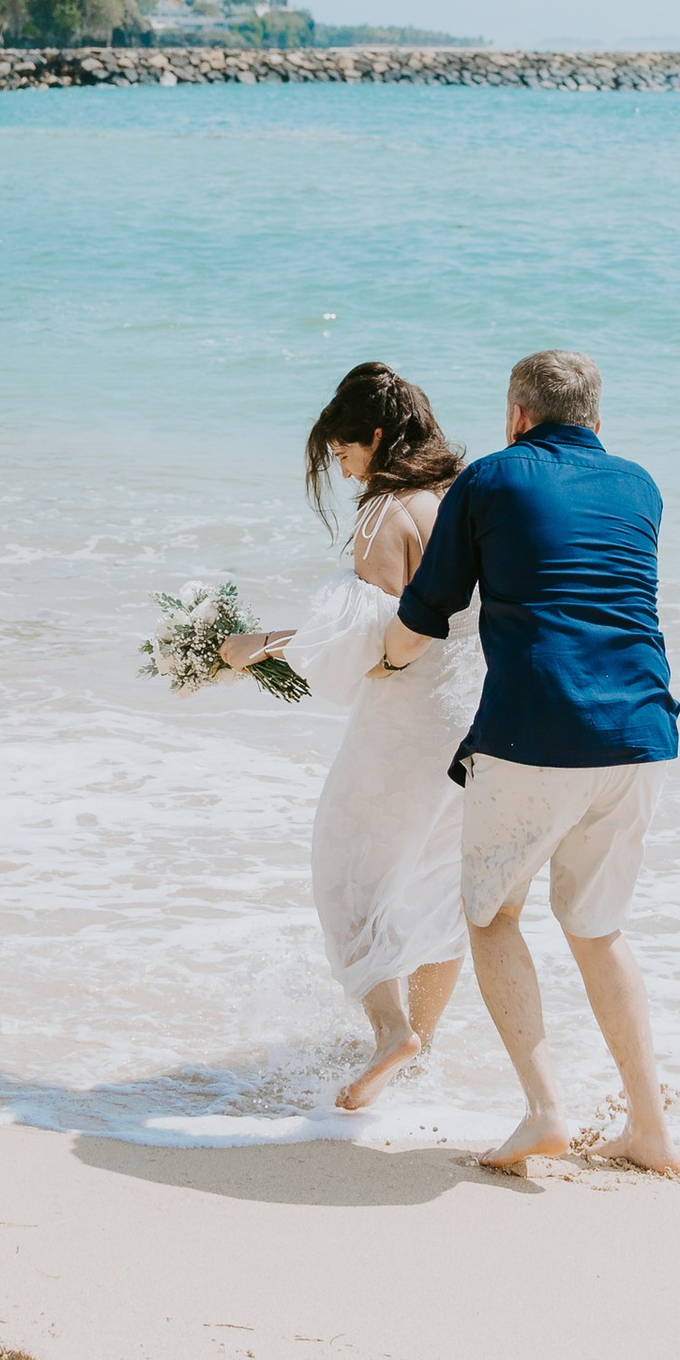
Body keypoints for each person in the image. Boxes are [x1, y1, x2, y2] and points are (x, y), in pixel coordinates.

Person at [381, 347, 680, 1177]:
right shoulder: (642, 486)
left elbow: (430, 609)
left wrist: (382, 659)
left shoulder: (490, 477)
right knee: (598, 929)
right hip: (641, 732)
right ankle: (650, 1129)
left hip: (537, 732)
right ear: (596, 418)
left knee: (492, 914)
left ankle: (546, 1111)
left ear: (517, 415)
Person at [218, 361, 481, 1111]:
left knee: (346, 872)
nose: (341, 470)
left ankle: (393, 1033)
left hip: (411, 720)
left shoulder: (387, 512)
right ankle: (420, 1051)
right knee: (441, 883)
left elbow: (365, 649)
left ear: (376, 436)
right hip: (480, 715)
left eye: (342, 453)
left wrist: (255, 646)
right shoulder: (466, 497)